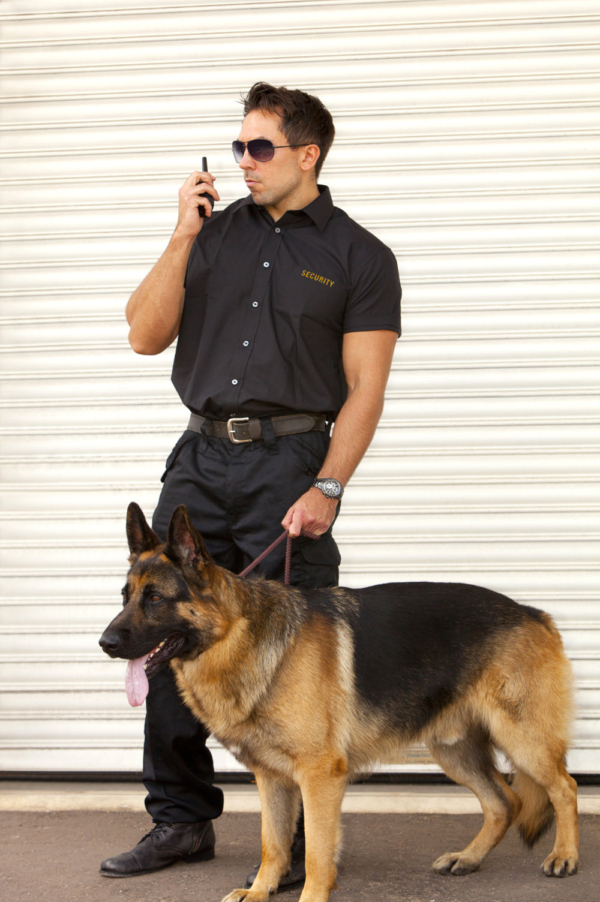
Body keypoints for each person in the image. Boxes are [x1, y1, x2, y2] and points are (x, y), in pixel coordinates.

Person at [100, 82, 401, 887]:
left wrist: (328, 486)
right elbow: (142, 333)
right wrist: (181, 233)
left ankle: (301, 849)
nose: (243, 162)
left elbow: (366, 389)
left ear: (307, 154)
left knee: (293, 661)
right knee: (165, 637)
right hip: (198, 463)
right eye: (237, 147)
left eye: (259, 148)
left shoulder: (359, 257)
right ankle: (180, 822)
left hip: (290, 467)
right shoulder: (209, 236)